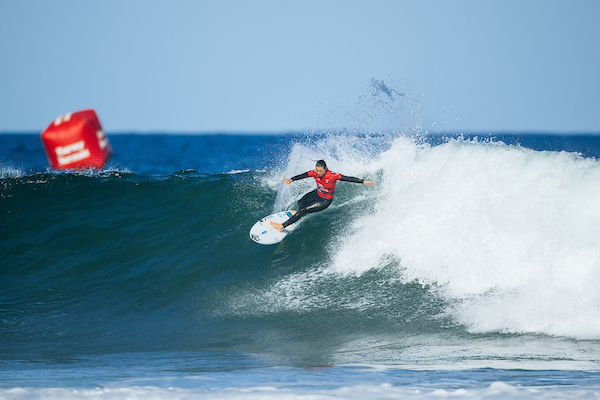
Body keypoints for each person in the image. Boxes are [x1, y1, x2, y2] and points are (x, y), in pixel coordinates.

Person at [270, 160, 375, 232]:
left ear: (326, 169)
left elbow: (349, 178)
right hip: (317, 193)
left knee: (303, 210)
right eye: (317, 170)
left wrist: (363, 181)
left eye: (320, 171)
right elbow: (303, 175)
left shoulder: (333, 175)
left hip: (325, 201)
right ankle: (299, 214)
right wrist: (291, 179)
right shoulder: (314, 173)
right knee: (300, 202)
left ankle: (281, 226)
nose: (318, 173)